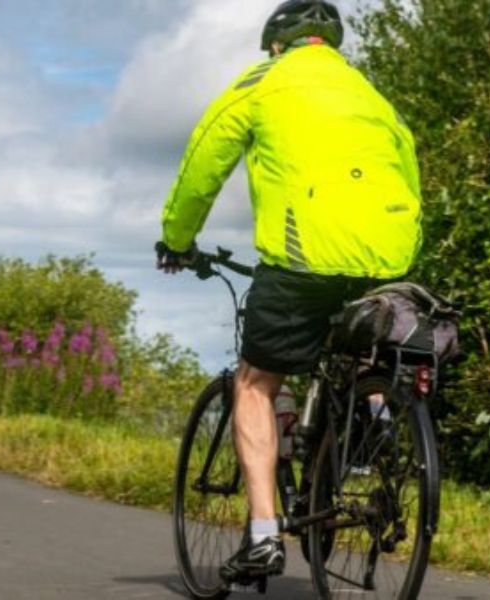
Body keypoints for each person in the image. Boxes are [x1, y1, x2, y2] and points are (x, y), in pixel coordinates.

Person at [156, 0, 422, 582]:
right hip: (389, 255)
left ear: (278, 43)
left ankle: (262, 537)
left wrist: (176, 238)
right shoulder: (370, 94)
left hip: (304, 255)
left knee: (254, 381)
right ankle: (373, 414)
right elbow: (409, 167)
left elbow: (204, 163)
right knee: (355, 353)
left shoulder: (264, 81)